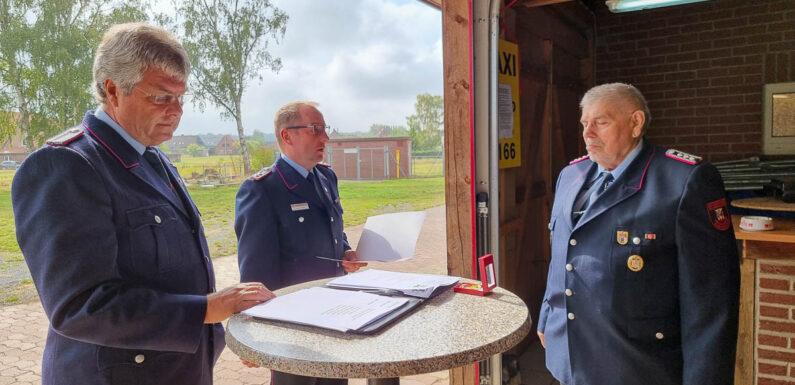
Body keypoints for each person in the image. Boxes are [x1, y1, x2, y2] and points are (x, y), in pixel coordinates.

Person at [12, 23, 274, 385]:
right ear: (113, 90)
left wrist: (219, 332)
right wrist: (207, 309)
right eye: (161, 97)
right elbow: (79, 307)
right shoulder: (67, 165)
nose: (176, 111)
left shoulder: (152, 156)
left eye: (180, 98)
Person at [536, 83, 740, 385]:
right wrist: (547, 316)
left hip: (637, 366)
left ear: (636, 123)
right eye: (584, 123)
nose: (587, 133)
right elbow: (561, 255)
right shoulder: (571, 175)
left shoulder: (683, 181)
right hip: (570, 357)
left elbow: (711, 302)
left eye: (600, 122)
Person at [235, 101, 366, 385]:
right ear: (287, 136)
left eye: (324, 129)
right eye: (315, 129)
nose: (325, 138)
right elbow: (254, 269)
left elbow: (332, 227)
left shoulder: (326, 177)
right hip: (292, 322)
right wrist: (253, 328)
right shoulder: (262, 188)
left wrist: (345, 251)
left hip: (334, 313)